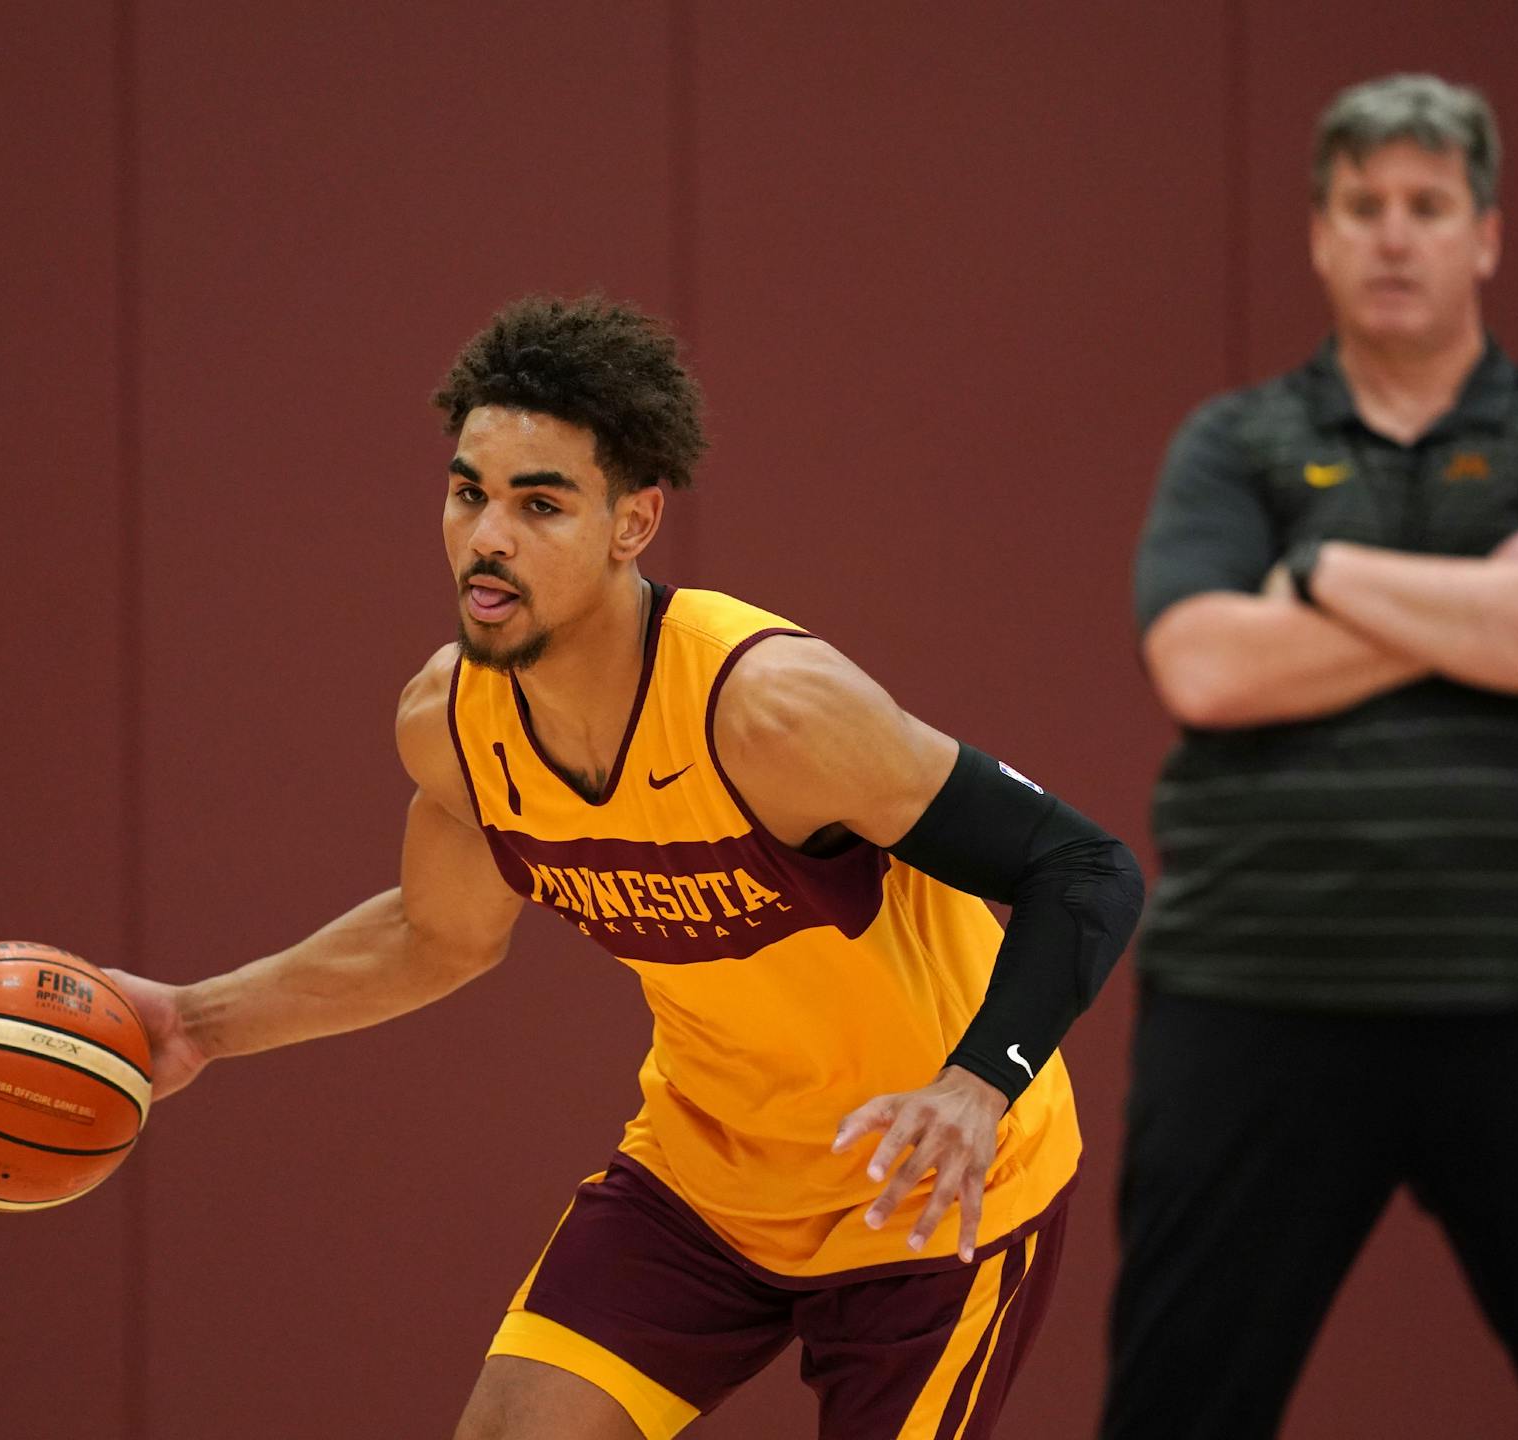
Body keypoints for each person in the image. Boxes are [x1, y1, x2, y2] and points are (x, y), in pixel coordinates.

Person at [110, 294, 1144, 1440]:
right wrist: (195, 1024)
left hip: (932, 1196)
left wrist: (977, 1085)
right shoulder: (454, 725)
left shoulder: (769, 711)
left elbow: (1086, 866)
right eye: (469, 494)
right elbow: (432, 937)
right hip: (705, 1184)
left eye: (539, 503)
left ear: (634, 524)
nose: (487, 537)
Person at [1103, 74, 1518, 1439]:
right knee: (1176, 1407)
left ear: (1485, 235)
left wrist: (1318, 577)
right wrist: (1490, 591)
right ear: (1318, 234)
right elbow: (1205, 665)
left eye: (1427, 207)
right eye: (1363, 206)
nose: (1394, 236)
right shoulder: (1233, 444)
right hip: (1262, 988)